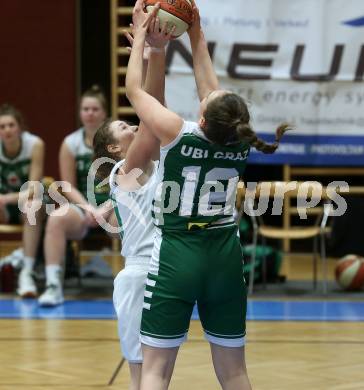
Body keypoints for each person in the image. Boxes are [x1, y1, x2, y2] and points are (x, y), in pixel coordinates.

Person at [123, 1, 291, 389]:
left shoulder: (175, 132)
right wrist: (195, 30)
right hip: (225, 257)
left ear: (203, 118)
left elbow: (134, 90)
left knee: (155, 371)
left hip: (177, 255)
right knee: (234, 372)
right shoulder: (240, 142)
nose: (209, 91)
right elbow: (210, 87)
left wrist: (144, 43)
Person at [92, 21, 171, 390]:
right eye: (124, 127)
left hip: (166, 271)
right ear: (112, 149)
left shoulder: (152, 162)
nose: (133, 127)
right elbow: (149, 114)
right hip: (139, 275)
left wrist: (156, 53)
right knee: (142, 374)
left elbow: (154, 110)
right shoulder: (124, 172)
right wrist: (146, 48)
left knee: (156, 373)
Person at [38, 86, 117, 307]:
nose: (90, 113)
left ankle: (134, 283)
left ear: (104, 112)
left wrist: (106, 208)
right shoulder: (70, 143)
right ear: (80, 113)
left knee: (128, 219)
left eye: (95, 109)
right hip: (84, 207)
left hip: (114, 205)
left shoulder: (117, 139)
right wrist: (89, 208)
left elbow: (129, 184)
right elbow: (68, 186)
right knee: (56, 218)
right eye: (85, 109)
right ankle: (53, 286)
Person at [0, 104, 45, 298]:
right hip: (2, 205)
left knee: (32, 206)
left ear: (19, 127)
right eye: (2, 127)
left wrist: (5, 199)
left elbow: (34, 188)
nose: (7, 130)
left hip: (24, 203)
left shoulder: (35, 145)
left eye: (11, 125)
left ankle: (26, 272)